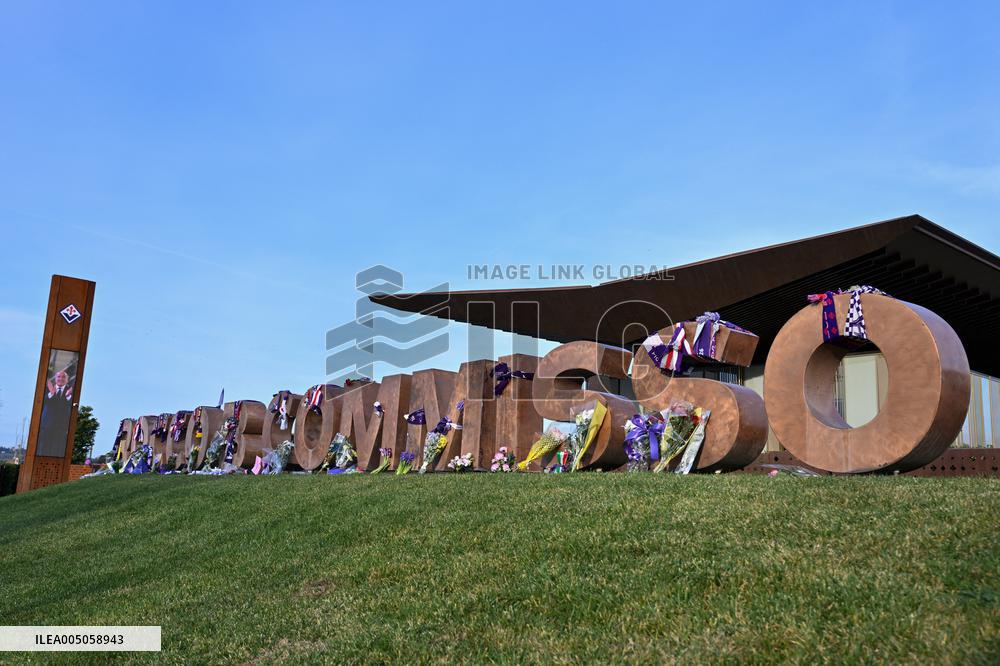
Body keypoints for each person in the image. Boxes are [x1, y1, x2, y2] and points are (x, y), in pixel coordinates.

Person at [37, 370, 74, 456]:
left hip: (61, 427)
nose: (61, 379)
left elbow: (72, 405)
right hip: (46, 426)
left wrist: (69, 396)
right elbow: (41, 401)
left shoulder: (71, 391)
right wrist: (51, 393)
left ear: (67, 380)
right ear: (55, 379)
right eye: (58, 377)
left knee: (57, 450)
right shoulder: (46, 389)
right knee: (43, 449)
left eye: (63, 377)